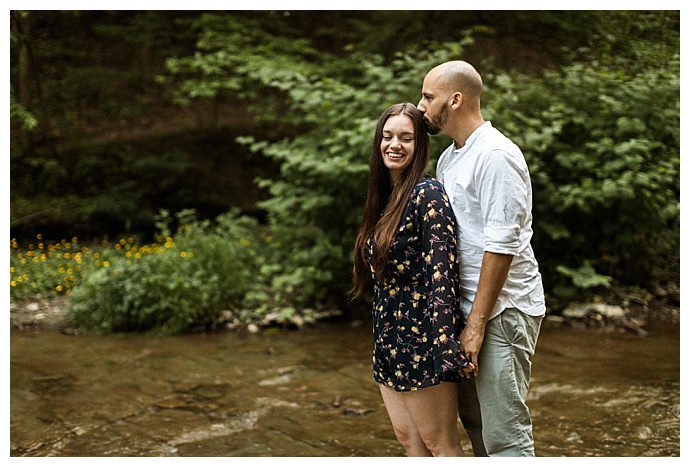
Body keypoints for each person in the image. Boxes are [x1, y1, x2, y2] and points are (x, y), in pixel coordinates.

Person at [416, 61, 546, 457]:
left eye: (428, 97)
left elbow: (502, 245)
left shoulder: (496, 155)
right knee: (476, 426)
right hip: (467, 310)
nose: (421, 106)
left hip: (502, 312)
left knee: (505, 435)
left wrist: (475, 326)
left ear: (454, 100)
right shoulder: (450, 159)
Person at [352, 102, 472, 457]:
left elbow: (443, 274)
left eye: (406, 137)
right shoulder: (384, 198)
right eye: (387, 136)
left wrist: (444, 343)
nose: (395, 144)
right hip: (389, 334)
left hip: (422, 338)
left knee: (440, 444)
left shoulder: (428, 194)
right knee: (410, 441)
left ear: (419, 145)